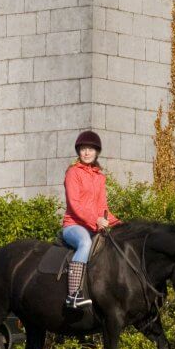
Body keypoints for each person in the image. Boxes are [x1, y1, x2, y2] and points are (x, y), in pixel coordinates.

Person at [62, 130, 121, 309]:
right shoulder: (73, 172)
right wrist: (95, 220)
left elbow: (103, 208)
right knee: (85, 243)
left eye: (91, 149)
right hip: (74, 226)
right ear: (79, 152)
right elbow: (75, 205)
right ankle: (73, 295)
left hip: (94, 225)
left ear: (97, 152)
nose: (87, 152)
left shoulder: (100, 177)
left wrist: (119, 224)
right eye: (83, 149)